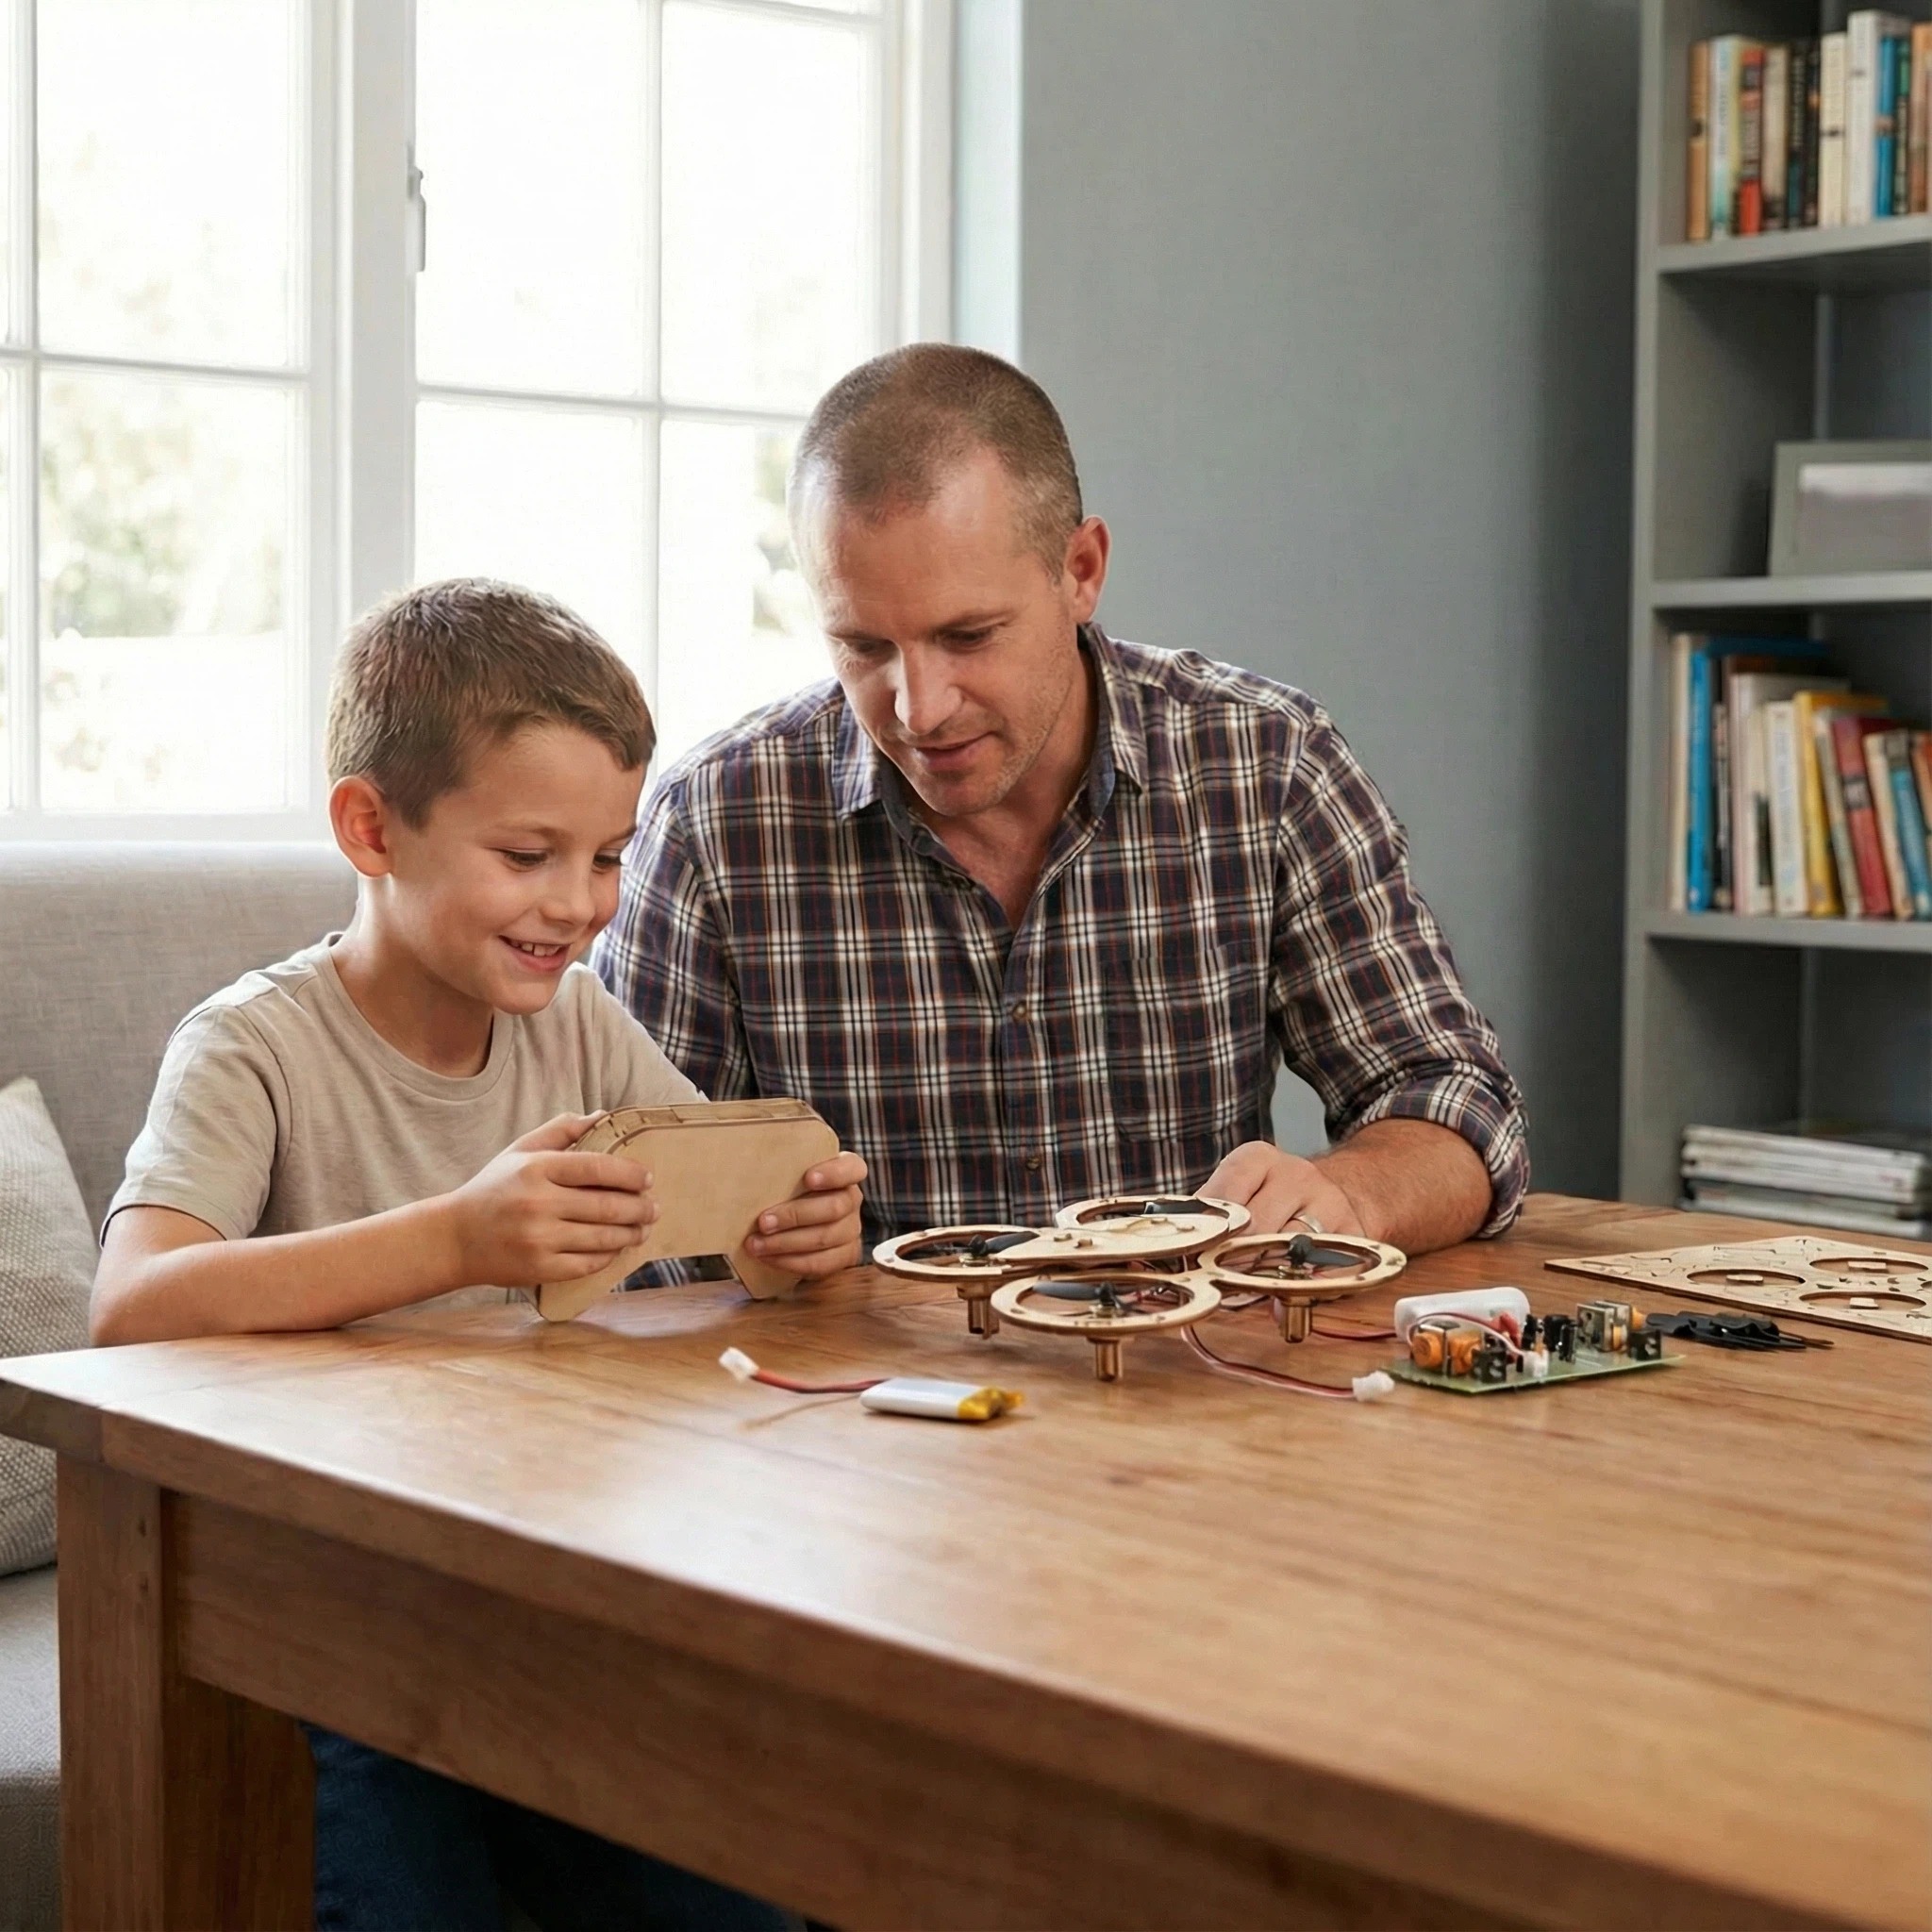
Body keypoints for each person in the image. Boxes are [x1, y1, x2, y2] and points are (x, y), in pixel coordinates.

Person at [92, 578, 864, 1930]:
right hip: (329, 1605)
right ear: (370, 827)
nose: (578, 904)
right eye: (527, 854)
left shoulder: (581, 1024)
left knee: (732, 1887)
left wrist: (793, 1230)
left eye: (608, 856)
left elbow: (728, 1191)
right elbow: (130, 1309)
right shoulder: (252, 1047)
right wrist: (454, 1237)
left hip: (534, 1591)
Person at [598, 344, 1528, 1255]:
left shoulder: (1265, 766)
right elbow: (619, 1223)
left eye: (968, 635)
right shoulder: (713, 826)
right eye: (864, 647)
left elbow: (1456, 1103)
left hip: (1191, 1353)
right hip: (842, 1362)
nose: (919, 708)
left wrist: (1347, 1194)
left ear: (1081, 570)